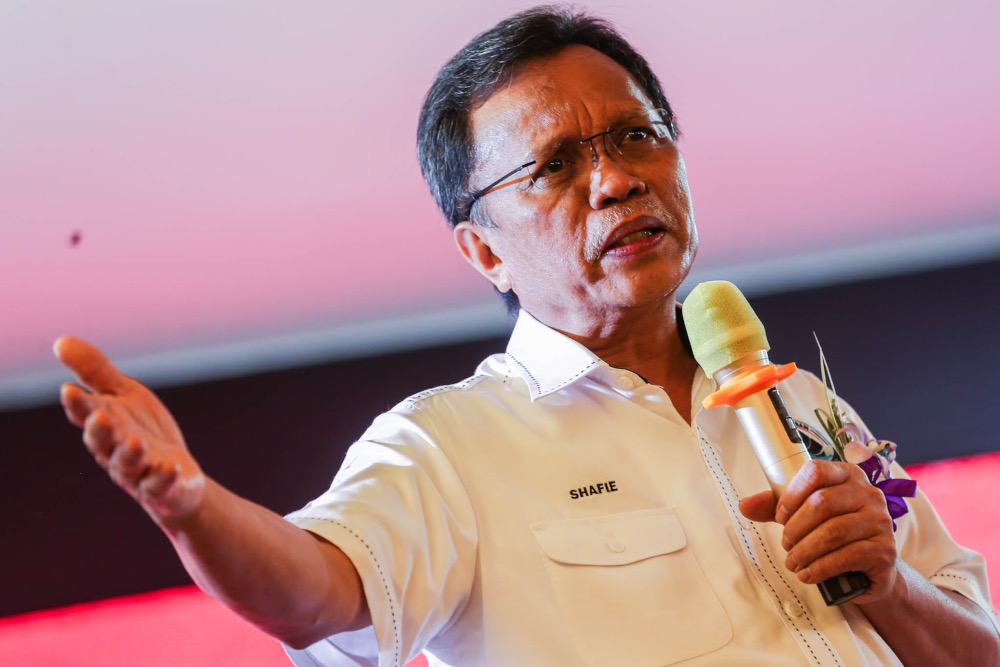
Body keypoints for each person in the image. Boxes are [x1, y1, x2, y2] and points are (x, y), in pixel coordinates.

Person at [56, 6, 999, 666]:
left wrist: (888, 587)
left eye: (637, 136)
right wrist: (192, 507)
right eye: (554, 164)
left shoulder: (804, 405)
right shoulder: (449, 445)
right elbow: (320, 590)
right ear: (483, 253)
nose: (618, 180)